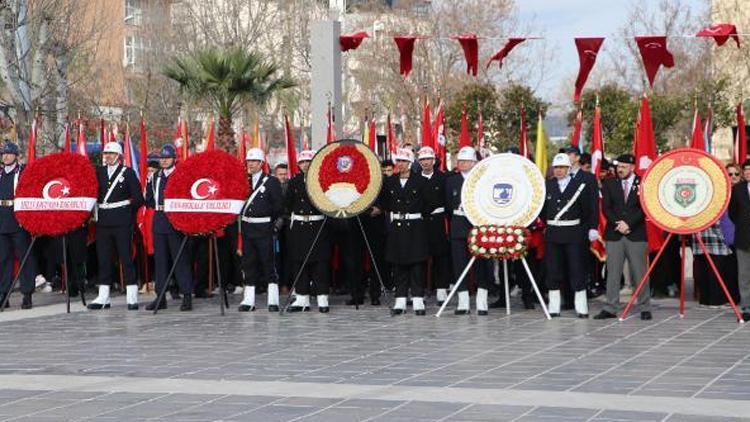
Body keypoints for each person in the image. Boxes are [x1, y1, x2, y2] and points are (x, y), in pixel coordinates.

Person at [594, 154, 651, 320]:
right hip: (614, 233)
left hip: (636, 234)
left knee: (640, 272)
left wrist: (629, 224)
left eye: (624, 167)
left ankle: (645, 306)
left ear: (632, 167)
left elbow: (645, 207)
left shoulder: (643, 183)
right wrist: (618, 223)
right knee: (613, 272)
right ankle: (610, 307)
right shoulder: (610, 183)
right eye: (619, 166)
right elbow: (606, 208)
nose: (620, 169)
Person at [88, 142, 144, 310]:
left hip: (121, 221)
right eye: (106, 153)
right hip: (103, 222)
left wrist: (126, 212)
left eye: (112, 153)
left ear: (119, 155)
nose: (108, 156)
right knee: (103, 259)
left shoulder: (128, 173)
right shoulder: (99, 172)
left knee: (125, 257)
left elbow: (138, 199)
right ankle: (104, 297)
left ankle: (131, 295)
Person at [542, 153, 596, 318]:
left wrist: (592, 227)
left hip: (574, 233)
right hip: (553, 233)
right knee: (553, 270)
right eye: (556, 168)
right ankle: (554, 305)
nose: (558, 171)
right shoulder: (548, 185)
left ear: (568, 168)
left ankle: (581, 306)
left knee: (576, 269)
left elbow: (590, 207)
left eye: (562, 168)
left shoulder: (579, 184)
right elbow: (543, 210)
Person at [378, 148, 429, 315]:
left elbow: (429, 205)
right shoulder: (390, 181)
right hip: (397, 227)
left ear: (410, 163)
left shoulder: (421, 181)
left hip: (415, 226)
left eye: (404, 161)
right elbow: (384, 202)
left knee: (416, 265)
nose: (400, 164)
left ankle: (417, 299)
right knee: (398, 264)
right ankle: (400, 299)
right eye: (398, 161)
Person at [144, 144, 193, 311]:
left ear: (174, 159)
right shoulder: (155, 176)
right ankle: (161, 296)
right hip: (159, 218)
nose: (164, 161)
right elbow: (149, 199)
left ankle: (186, 295)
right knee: (160, 261)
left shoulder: (181, 175)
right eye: (162, 158)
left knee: (180, 259)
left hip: (175, 219)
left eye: (167, 158)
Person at [445, 146, 492, 315]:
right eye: (460, 161)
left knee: (481, 263)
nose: (462, 164)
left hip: (477, 226)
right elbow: (449, 206)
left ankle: (482, 300)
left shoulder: (482, 180)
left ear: (474, 162)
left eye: (466, 161)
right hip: (458, 225)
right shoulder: (451, 181)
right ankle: (463, 302)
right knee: (459, 264)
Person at [285, 150, 332, 313]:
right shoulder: (294, 181)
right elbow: (288, 204)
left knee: (320, 264)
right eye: (302, 162)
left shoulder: (322, 181)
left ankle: (322, 298)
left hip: (318, 226)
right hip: (299, 227)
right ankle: (302, 299)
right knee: (299, 263)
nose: (305, 165)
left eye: (308, 161)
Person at [237, 148, 283, 312]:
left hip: (264, 228)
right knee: (248, 264)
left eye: (254, 161)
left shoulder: (271, 182)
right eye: (249, 161)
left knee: (268, 263)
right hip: (248, 228)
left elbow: (278, 207)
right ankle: (248, 301)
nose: (251, 164)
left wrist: (273, 227)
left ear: (261, 163)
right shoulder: (243, 181)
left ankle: (273, 301)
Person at [0, 142, 37, 309]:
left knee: (25, 259)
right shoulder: (0, 173)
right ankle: (4, 294)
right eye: (3, 154)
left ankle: (27, 294)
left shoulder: (22, 172)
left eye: (9, 153)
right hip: (2, 219)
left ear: (16, 155)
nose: (5, 156)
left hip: (18, 220)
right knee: (3, 260)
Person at [417, 146, 451, 305]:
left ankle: (441, 290)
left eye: (428, 159)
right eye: (422, 159)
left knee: (441, 257)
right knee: (420, 256)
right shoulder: (415, 178)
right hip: (421, 222)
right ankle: (421, 290)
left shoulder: (443, 178)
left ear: (434, 160)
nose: (425, 162)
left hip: (438, 222)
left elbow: (447, 200)